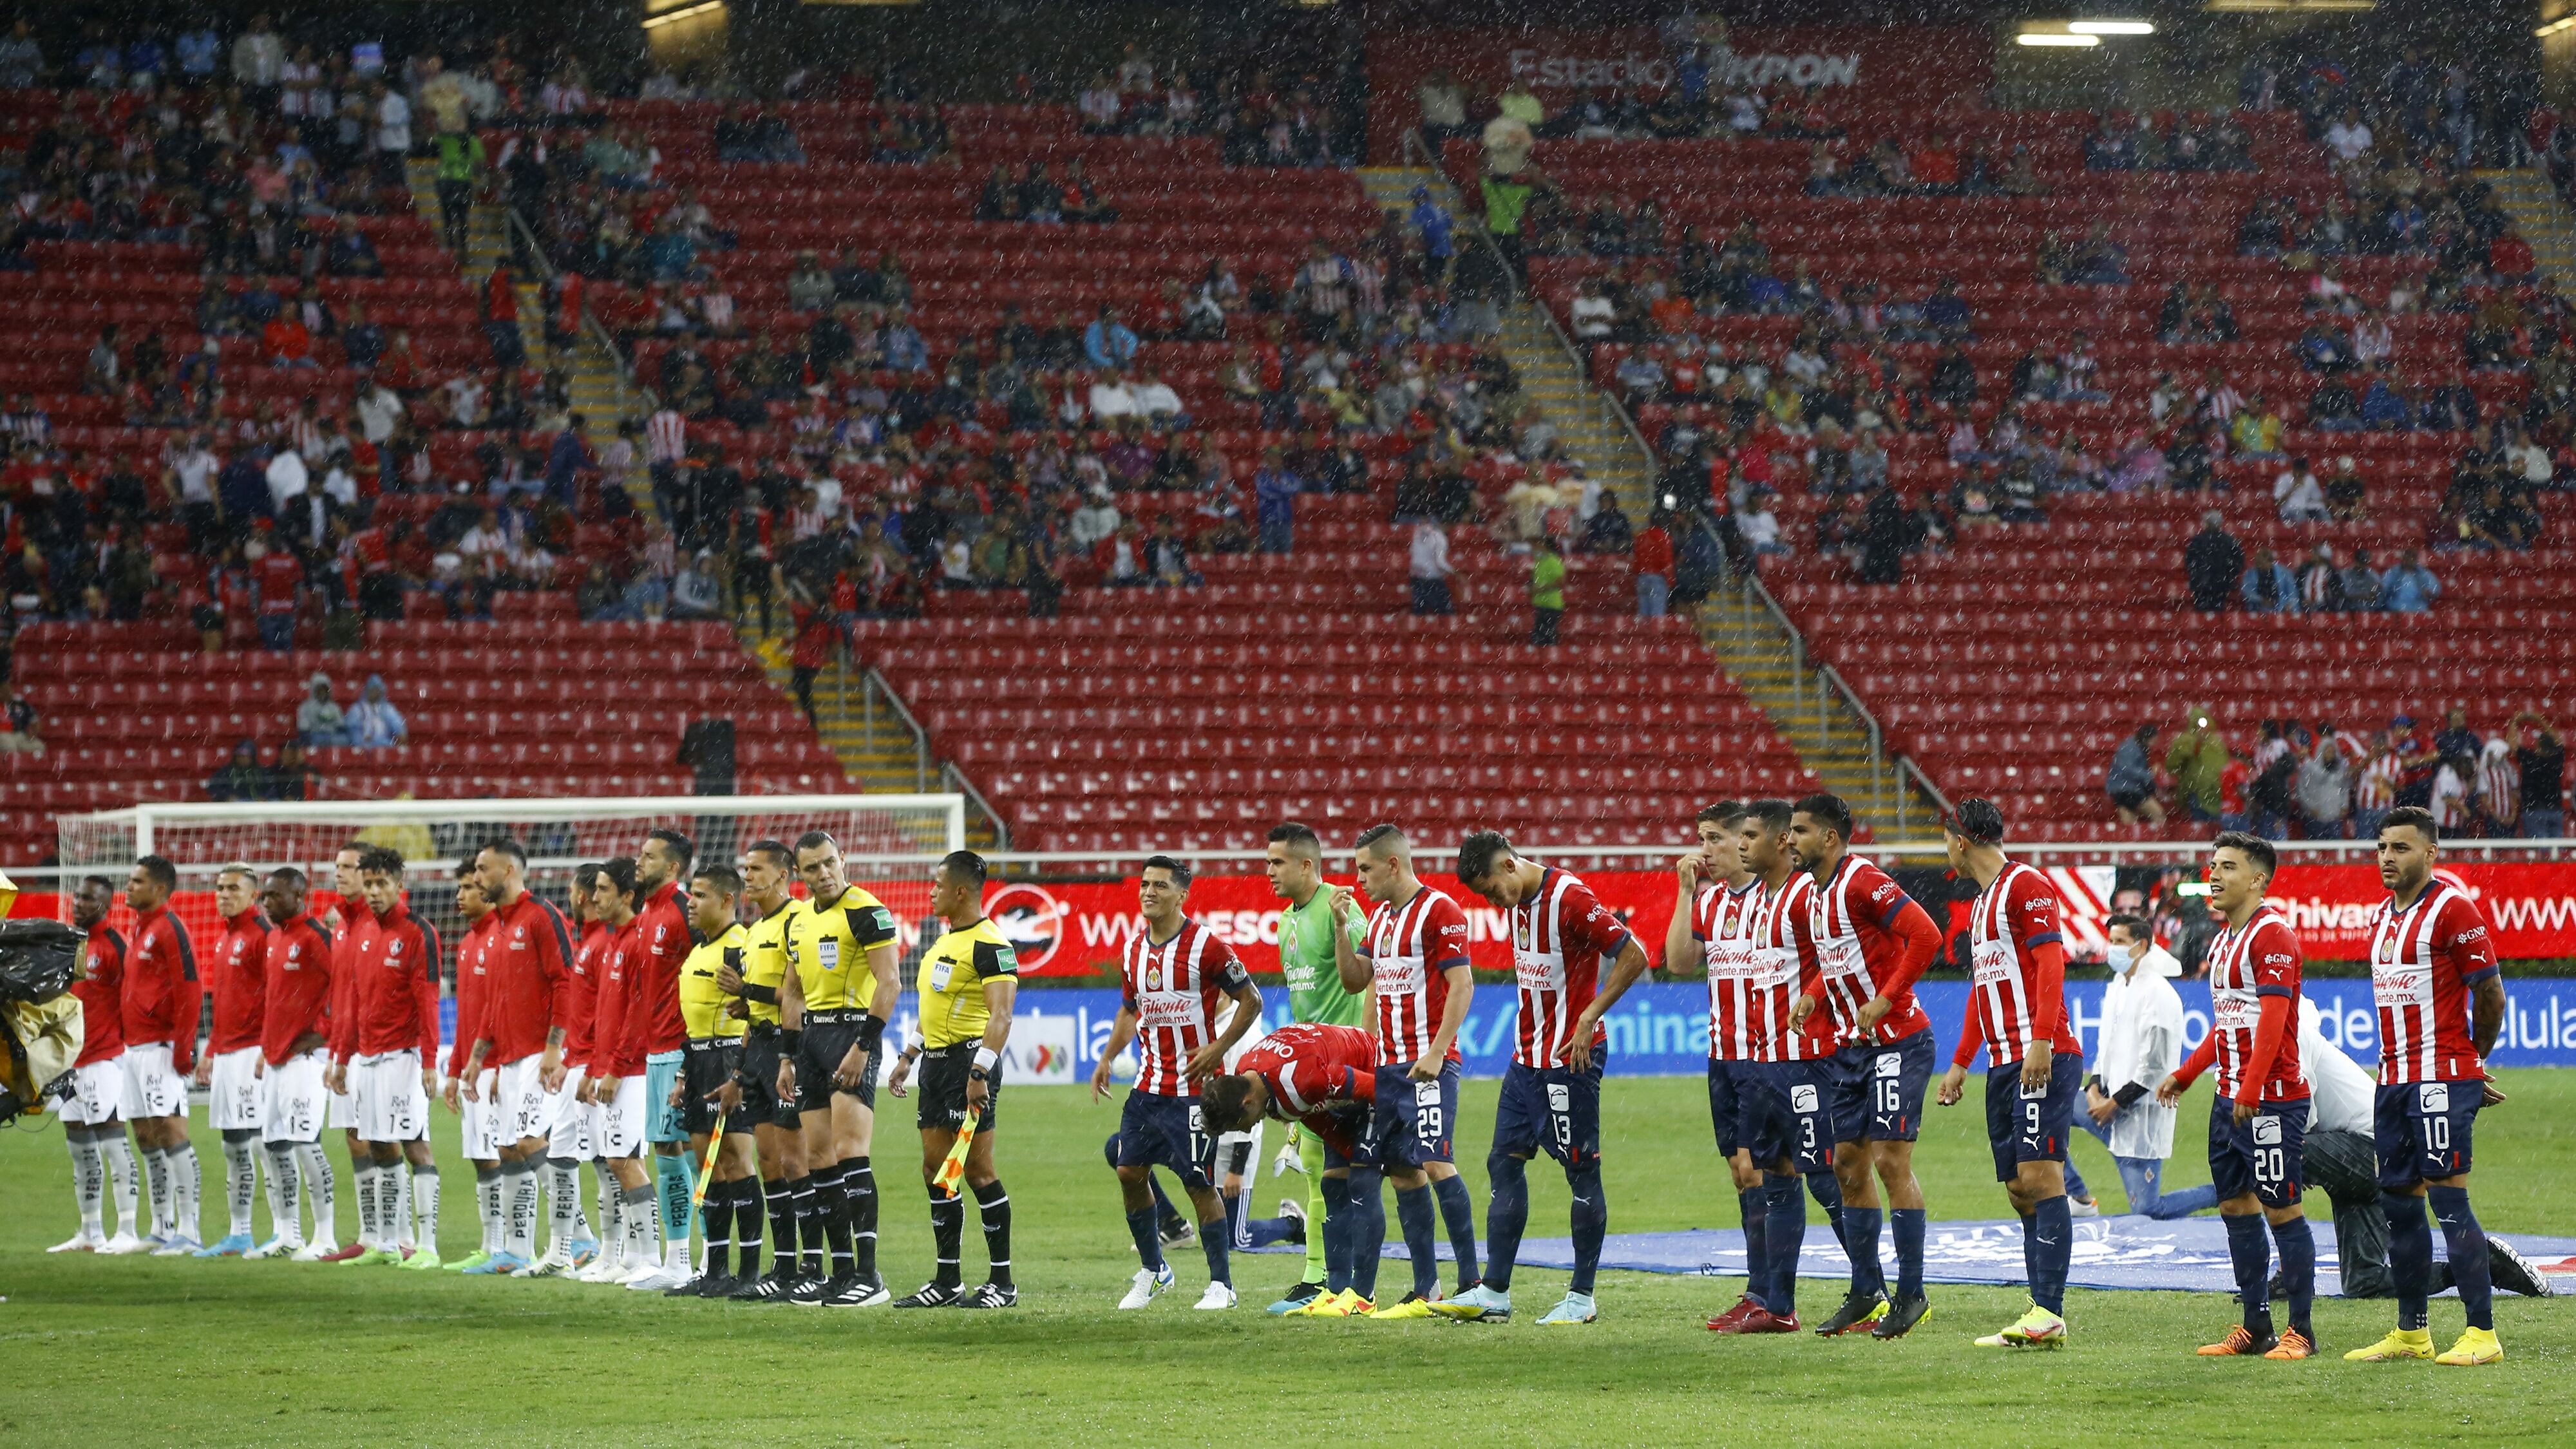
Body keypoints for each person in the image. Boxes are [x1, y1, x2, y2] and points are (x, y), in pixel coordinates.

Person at [1444, 831, 1650, 1326]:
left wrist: (1589, 1015)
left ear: (1510, 866)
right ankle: (1494, 1291)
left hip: (1569, 1060)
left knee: (1581, 1173)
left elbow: (1635, 955)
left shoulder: (1570, 898)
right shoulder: (1518, 899)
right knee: (1503, 1162)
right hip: (1526, 1059)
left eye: (1493, 890)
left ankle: (1582, 1297)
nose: (1493, 901)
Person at [2345, 808, 2514, 1367]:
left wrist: (2469, 1061)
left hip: (2440, 1078)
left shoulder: (2452, 909)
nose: (2388, 858)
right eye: (2382, 847)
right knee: (2399, 1207)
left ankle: (2481, 1334)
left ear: (2431, 853)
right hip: (2391, 1081)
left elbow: (2490, 996)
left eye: (2402, 848)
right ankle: (2413, 1334)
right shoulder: (2383, 919)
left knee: (2449, 1202)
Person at [1784, 794, 1946, 1338]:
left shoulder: (1862, 880)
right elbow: (1834, 962)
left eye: (1800, 831)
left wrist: (1886, 998)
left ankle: (1913, 1294)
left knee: (1890, 1161)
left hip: (1897, 1039)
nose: (1791, 840)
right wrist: (1811, 996)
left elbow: (1927, 935)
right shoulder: (1811, 895)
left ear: (1830, 837)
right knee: (1847, 1166)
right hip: (1851, 1046)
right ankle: (1866, 1291)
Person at [2157, 832, 2318, 1359]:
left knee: (2282, 1210)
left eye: (2228, 866)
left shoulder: (2272, 936)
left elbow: (2274, 1020)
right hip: (2231, 1100)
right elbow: (2227, 1025)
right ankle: (2256, 1327)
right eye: (2212, 864)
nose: (2215, 874)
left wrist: (2251, 1087)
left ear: (2257, 879)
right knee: (2234, 1207)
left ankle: (2302, 1332)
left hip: (2270, 1099)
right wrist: (2186, 1074)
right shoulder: (2226, 939)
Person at [1935, 799, 2081, 1349]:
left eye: (1946, 837)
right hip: (2001, 1061)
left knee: (2042, 1176)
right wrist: (1959, 1063)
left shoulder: (2026, 885)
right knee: (2021, 1188)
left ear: (1962, 840)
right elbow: (1984, 989)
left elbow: (2051, 963)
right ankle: (2040, 1305)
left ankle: (2049, 1311)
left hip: (2040, 1053)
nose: (1944, 847)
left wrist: (2041, 1041)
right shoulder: (1980, 906)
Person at [1092, 855, 1267, 1311]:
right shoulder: (1132, 951)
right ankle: (1154, 1271)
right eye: (1145, 884)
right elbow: (1131, 1010)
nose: (1149, 892)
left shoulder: (1207, 946)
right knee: (1129, 1169)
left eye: (1160, 886)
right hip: (1148, 1088)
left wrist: (1218, 1047)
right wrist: (1108, 1057)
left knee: (1197, 1184)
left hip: (1193, 1093)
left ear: (1182, 894)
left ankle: (1222, 1285)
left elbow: (1252, 1000)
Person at [1330, 824, 1479, 1318]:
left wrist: (1437, 1051)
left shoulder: (1441, 911)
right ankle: (1427, 1290)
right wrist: (1340, 929)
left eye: (1366, 868)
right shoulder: (1378, 919)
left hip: (1427, 1064)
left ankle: (1474, 1286)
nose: (1360, 879)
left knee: (1437, 1163)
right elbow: (1356, 982)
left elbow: (1463, 985)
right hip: (1389, 1068)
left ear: (1394, 864)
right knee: (1402, 1173)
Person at [1718, 798, 1842, 1335]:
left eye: (1749, 835)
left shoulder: (1802, 897)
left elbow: (1837, 960)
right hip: (1760, 1063)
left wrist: (1811, 998)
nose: (1740, 844)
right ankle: (1778, 1304)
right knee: (1777, 1177)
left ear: (1780, 842)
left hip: (1804, 1062)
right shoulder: (1755, 902)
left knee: (1827, 1177)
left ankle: (1877, 1289)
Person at [885, 850, 1021, 1308]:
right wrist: (908, 1055)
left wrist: (981, 1070)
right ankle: (948, 1282)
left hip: (969, 1064)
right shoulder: (941, 944)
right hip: (936, 1065)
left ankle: (1002, 1283)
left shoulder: (991, 944)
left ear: (960, 891)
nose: (931, 892)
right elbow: (933, 1012)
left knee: (979, 1171)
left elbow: (1001, 1015)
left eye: (938, 885)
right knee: (936, 1170)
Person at [777, 829, 903, 1305]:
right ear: (800, 874)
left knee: (852, 1153)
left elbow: (889, 983)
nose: (824, 873)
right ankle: (843, 1272)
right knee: (820, 1161)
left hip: (852, 1035)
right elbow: (792, 991)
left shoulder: (867, 911)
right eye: (812, 868)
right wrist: (787, 1056)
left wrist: (863, 1047)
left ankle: (870, 1278)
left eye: (830, 862)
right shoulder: (799, 921)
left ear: (843, 859)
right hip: (811, 1041)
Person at [1256, 821, 1370, 1314]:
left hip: (1343, 1063)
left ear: (1307, 865)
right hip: (1308, 1066)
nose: (1269, 872)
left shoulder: (1341, 907)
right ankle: (1325, 1277)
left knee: (1334, 1174)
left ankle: (1326, 1279)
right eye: (1267, 863)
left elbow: (1369, 976)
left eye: (1278, 863)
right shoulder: (1285, 922)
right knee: (1315, 1172)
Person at [455, 840, 576, 1278]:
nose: (478, 876)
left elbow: (565, 981)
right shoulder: (500, 928)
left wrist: (554, 1047)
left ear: (508, 872)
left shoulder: (540, 916)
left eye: (483, 868)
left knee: (529, 1142)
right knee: (507, 1148)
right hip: (505, 1057)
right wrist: (476, 1057)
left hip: (536, 1052)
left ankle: (573, 1239)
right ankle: (517, 1251)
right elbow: (495, 1001)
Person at [1201, 1021, 1379, 1316]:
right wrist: (1348, 1149)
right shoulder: (1255, 1078)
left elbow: (1376, 1089)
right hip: (1337, 1084)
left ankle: (1364, 1296)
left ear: (1247, 1102)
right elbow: (1307, 1111)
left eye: (1238, 1125)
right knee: (1333, 1185)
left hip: (1371, 1065)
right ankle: (1335, 1291)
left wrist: (1394, 1145)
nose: (1245, 1129)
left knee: (1367, 1183)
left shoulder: (1302, 1078)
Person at [329, 848, 443, 1266]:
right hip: (369, 1058)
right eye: (370, 884)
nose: (375, 892)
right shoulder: (363, 933)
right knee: (378, 1146)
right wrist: (343, 1058)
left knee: (416, 1147)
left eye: (383, 884)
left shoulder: (418, 932)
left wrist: (430, 1061)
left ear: (399, 884)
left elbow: (427, 1000)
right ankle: (390, 1243)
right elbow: (356, 1003)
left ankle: (428, 1247)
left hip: (405, 1058)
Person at [722, 842, 817, 1300]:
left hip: (788, 1047)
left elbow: (799, 997)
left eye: (757, 869)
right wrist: (739, 1071)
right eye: (746, 869)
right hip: (758, 1046)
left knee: (798, 1161)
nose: (748, 876)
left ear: (784, 875)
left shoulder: (798, 922)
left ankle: (813, 1266)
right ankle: (782, 1267)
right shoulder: (753, 929)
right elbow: (760, 1002)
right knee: (768, 1163)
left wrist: (750, 989)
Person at [2074, 915, 2211, 1219]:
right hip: (2104, 1103)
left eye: (2120, 942)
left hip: (2137, 1115)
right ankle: (2078, 1196)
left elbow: (2155, 1067)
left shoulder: (2159, 995)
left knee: (2148, 1210)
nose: (2112, 949)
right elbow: (2106, 1047)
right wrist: (2095, 1086)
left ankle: (2225, 1191)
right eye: (2111, 942)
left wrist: (2114, 1103)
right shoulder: (2118, 986)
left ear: (2142, 946)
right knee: (2045, 1109)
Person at [670, 866, 761, 1298]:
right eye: (691, 894)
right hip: (700, 1059)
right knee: (711, 1170)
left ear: (728, 900)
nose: (691, 901)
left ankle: (751, 1273)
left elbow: (755, 1013)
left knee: (738, 1164)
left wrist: (740, 1073)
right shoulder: (697, 951)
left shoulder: (739, 946)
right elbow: (695, 1022)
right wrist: (684, 1074)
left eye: (701, 895)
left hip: (728, 1058)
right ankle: (716, 1272)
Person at [244, 867, 338, 1262]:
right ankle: (288, 1234)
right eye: (263, 896)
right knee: (272, 1146)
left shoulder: (317, 937)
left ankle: (326, 1237)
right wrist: (267, 1047)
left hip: (306, 1061)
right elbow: (276, 1000)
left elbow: (346, 987)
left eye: (274, 896)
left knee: (305, 1146)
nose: (266, 903)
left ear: (300, 895)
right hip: (278, 1059)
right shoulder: (275, 939)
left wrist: (323, 1034)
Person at [576, 858, 661, 1284]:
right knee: (619, 1160)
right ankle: (627, 1256)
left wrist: (614, 1069)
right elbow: (606, 1016)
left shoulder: (637, 942)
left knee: (623, 1160)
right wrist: (594, 1069)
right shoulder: (615, 941)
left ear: (627, 896)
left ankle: (650, 1256)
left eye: (605, 889)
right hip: (614, 1068)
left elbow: (636, 1015)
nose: (595, 897)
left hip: (634, 1069)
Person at [52, 877, 146, 1255]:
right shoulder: (67, 944)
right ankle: (90, 1231)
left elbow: (132, 997)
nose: (79, 903)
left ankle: (127, 1229)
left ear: (107, 905)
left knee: (112, 1139)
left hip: (104, 1057)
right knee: (79, 1145)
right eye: (78, 896)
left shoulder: (116, 945)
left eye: (89, 898)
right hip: (69, 1060)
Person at [623, 828, 698, 1289]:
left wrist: (695, 1054)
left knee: (692, 1153)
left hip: (681, 1049)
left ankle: (704, 1261)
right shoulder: (646, 913)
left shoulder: (683, 911)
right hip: (654, 1053)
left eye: (648, 856)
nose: (638, 861)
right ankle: (679, 1263)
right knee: (670, 1152)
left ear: (672, 867)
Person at [120, 855, 205, 1255]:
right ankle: (162, 1225)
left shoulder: (170, 928)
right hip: (133, 1048)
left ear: (159, 889)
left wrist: (183, 1047)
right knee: (145, 1134)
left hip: (159, 1046)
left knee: (171, 1130)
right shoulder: (140, 929)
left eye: (137, 881)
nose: (129, 886)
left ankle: (190, 1230)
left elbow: (190, 988)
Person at [187, 866, 269, 1257]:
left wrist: (270, 1047)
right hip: (228, 1053)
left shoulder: (262, 936)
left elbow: (278, 997)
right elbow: (226, 1005)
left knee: (265, 1145)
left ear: (253, 896)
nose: (224, 895)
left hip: (255, 1052)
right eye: (220, 888)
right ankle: (240, 1233)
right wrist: (211, 1050)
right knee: (233, 1145)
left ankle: (286, 1231)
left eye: (233, 889)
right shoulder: (225, 939)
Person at [2107, 723, 2166, 825]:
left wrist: (2153, 788)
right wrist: (2149, 774)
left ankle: (2134, 838)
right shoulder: (2130, 748)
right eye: (2153, 740)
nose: (2153, 744)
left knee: (2129, 824)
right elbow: (2127, 769)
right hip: (2127, 790)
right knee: (2159, 814)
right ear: (2147, 737)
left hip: (2123, 790)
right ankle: (2158, 837)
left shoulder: (2135, 747)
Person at [1408, 521, 1454, 616]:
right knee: (1445, 612)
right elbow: (1440, 563)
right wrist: (1455, 572)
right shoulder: (1440, 537)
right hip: (1432, 580)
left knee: (1419, 611)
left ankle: (1420, 629)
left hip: (1416, 577)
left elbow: (1411, 551)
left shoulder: (1418, 533)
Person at [1528, 537, 1566, 647]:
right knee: (1540, 638)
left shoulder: (1553, 561)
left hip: (1550, 606)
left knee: (1545, 639)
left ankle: (1549, 660)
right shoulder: (1540, 561)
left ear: (1543, 545)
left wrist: (1540, 589)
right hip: (1542, 605)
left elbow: (1561, 582)